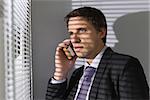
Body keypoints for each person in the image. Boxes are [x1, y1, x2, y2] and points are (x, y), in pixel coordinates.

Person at [46, 7, 149, 100]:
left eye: (81, 30)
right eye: (71, 33)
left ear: (101, 32)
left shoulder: (125, 66)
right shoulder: (77, 74)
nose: (74, 39)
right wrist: (61, 72)